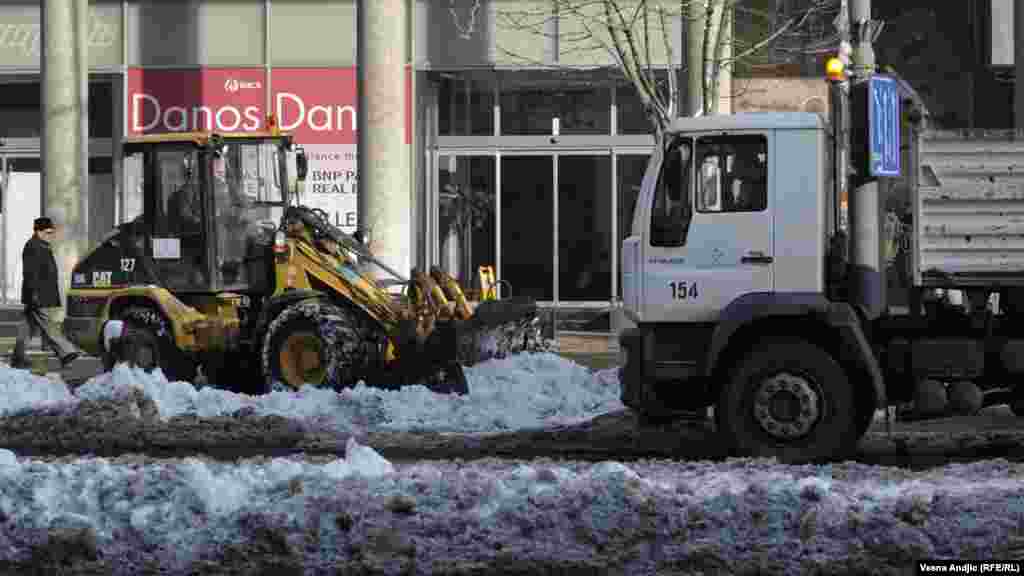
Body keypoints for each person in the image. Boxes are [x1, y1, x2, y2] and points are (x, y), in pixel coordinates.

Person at [10, 217, 80, 370]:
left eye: (51, 232)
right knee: (47, 323)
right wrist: (34, 293)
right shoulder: (33, 246)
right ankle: (66, 352)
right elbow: (30, 273)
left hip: (40, 293)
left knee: (27, 327)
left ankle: (18, 357)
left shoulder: (42, 245)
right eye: (48, 232)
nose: (51, 235)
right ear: (38, 231)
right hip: (37, 294)